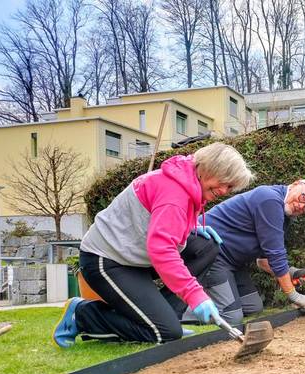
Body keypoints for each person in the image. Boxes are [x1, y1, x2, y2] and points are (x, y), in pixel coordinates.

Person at [52, 143, 254, 348]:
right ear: (208, 168)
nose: (223, 190)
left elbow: (158, 224)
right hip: (107, 260)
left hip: (134, 255)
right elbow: (162, 250)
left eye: (229, 187)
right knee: (164, 333)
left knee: (205, 246)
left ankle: (167, 317)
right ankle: (82, 315)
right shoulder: (174, 194)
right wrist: (195, 295)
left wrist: (188, 228)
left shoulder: (188, 181)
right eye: (224, 182)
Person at [178, 179, 305, 325]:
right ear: (295, 184)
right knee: (232, 317)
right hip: (210, 254)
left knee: (253, 306)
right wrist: (294, 295)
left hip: (231, 263)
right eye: (303, 197)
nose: (301, 206)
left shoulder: (284, 216)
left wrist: (293, 273)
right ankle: (179, 312)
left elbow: (263, 261)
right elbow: (276, 255)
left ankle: (213, 303)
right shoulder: (270, 200)